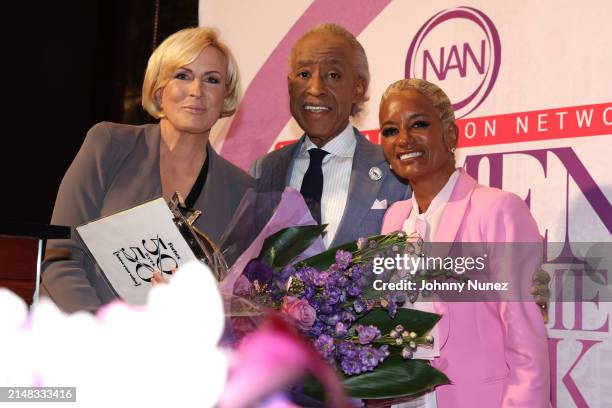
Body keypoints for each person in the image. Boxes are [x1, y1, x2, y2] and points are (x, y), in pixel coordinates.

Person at [41, 27, 253, 314]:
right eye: (182, 75)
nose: (196, 91)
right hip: (85, 340)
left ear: (225, 97)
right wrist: (101, 334)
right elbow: (61, 257)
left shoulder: (242, 190)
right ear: (159, 88)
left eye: (212, 80)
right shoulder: (109, 145)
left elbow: (237, 299)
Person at [379, 79, 550, 407]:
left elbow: (526, 344)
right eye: (390, 130)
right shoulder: (394, 219)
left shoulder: (497, 209)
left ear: (450, 135)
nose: (403, 139)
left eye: (419, 124)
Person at [250, 23, 409, 248]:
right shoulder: (262, 172)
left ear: (358, 88)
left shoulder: (395, 172)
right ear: (289, 85)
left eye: (333, 75)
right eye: (304, 74)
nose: (315, 88)